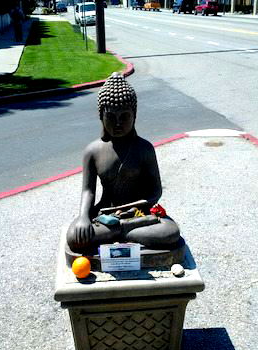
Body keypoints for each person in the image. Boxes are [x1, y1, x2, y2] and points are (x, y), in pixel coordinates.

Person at [66, 72, 180, 252]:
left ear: (134, 115)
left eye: (124, 117)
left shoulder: (144, 148)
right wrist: (83, 217)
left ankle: (118, 234)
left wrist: (137, 207)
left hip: (138, 215)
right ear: (101, 116)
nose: (118, 123)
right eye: (111, 117)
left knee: (170, 231)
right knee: (75, 236)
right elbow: (88, 191)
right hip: (106, 214)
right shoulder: (93, 151)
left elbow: (155, 190)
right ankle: (127, 235)